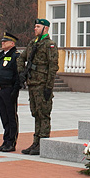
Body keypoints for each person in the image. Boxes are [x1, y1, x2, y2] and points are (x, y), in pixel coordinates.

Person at [17, 18, 59, 155]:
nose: (35, 28)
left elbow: (53, 67)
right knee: (35, 113)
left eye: (38, 26)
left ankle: (43, 142)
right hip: (32, 83)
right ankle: (36, 142)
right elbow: (21, 58)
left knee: (43, 114)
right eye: (35, 26)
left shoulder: (50, 45)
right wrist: (21, 72)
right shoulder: (32, 43)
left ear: (45, 29)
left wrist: (49, 86)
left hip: (42, 84)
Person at [0, 31, 22, 152]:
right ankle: (5, 140)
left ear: (12, 43)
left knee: (11, 116)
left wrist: (15, 90)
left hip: (9, 89)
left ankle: (11, 142)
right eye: (2, 41)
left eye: (5, 41)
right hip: (0, 89)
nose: (2, 43)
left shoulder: (16, 55)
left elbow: (18, 74)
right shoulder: (1, 55)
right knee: (4, 116)